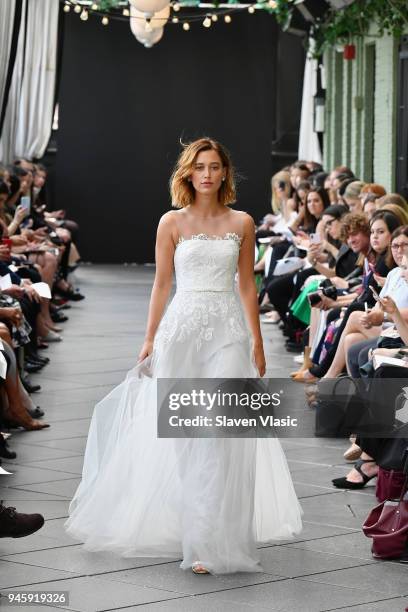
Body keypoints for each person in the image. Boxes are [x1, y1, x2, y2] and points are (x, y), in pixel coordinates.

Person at [64, 138, 302, 575]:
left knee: (224, 435)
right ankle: (196, 529)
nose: (207, 174)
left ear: (225, 173)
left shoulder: (243, 222)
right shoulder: (171, 222)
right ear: (188, 174)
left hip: (228, 333)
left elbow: (248, 286)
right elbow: (160, 284)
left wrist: (257, 341)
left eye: (215, 166)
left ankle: (215, 540)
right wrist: (149, 338)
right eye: (199, 167)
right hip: (182, 333)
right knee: (186, 440)